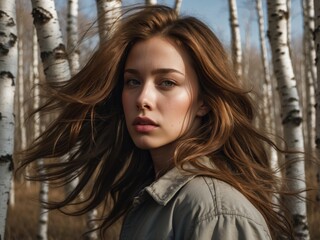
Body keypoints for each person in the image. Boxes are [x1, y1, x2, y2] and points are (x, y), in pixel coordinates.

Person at [20, 5, 294, 239]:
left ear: (205, 101)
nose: (143, 98)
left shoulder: (214, 212)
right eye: (133, 81)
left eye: (167, 82)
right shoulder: (156, 199)